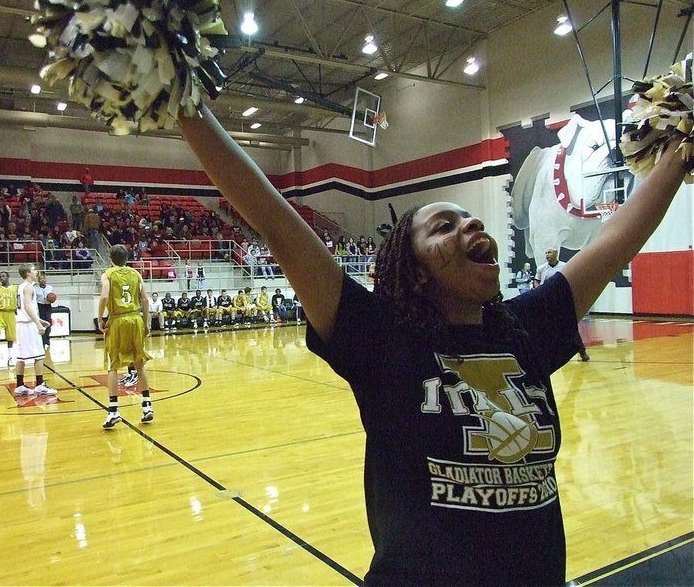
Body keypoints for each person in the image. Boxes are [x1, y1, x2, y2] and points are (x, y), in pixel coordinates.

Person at [178, 106, 689, 585]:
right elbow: (274, 220)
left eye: (472, 220)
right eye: (444, 227)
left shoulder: (521, 328)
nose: (471, 224)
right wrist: (182, 94)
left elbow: (619, 235)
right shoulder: (381, 337)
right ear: (414, 272)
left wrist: (682, 138)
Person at [97, 244, 153, 429]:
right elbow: (145, 299)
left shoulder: (108, 274)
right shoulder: (136, 274)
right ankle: (147, 406)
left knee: (113, 366)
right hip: (135, 318)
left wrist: (100, 319)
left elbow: (104, 297)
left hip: (118, 320)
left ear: (110, 258)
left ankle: (113, 411)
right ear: (126, 257)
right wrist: (145, 323)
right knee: (139, 363)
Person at [535, 249, 590, 361]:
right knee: (543, 327)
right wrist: (538, 290)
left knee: (569, 326)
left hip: (561, 300)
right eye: (546, 253)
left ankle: (582, 351)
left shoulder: (565, 267)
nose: (547, 255)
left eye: (549, 253)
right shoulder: (541, 268)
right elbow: (536, 280)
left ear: (556, 254)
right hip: (546, 301)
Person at [13, 264, 57, 397]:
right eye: (33, 270)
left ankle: (19, 385)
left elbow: (26, 308)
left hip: (21, 323)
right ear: (28, 273)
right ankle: (39, 385)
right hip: (28, 325)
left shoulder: (20, 287)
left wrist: (38, 319)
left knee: (20, 357)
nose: (36, 272)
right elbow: (27, 306)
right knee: (39, 355)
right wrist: (38, 323)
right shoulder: (29, 287)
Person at [0, 271, 17, 365]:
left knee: (10, 338)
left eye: (3, 276)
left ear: (8, 277)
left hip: (10, 313)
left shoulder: (15, 288)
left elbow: (18, 301)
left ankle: (10, 357)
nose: (2, 278)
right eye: (0, 277)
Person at [33, 271, 54, 349]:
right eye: (40, 279)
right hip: (39, 306)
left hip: (48, 306)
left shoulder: (50, 287)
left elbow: (52, 297)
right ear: (38, 280)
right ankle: (42, 341)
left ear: (46, 279)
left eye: (43, 278)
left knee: (48, 322)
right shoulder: (35, 288)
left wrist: (52, 299)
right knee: (41, 323)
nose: (42, 280)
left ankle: (47, 340)